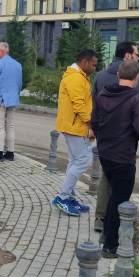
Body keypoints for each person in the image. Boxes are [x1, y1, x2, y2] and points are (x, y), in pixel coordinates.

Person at [90, 59, 139, 258]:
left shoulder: (102, 94)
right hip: (124, 156)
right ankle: (111, 245)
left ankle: (106, 233)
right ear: (136, 77)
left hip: (105, 153)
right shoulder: (137, 99)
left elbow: (95, 122)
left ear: (118, 75)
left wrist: (104, 140)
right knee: (120, 200)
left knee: (112, 196)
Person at [52, 49, 98, 216]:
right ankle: (63, 198)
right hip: (75, 126)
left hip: (75, 126)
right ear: (84, 62)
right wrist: (91, 126)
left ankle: (69, 197)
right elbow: (79, 106)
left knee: (74, 162)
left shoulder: (80, 77)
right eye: (93, 65)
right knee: (82, 162)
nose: (94, 68)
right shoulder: (75, 78)